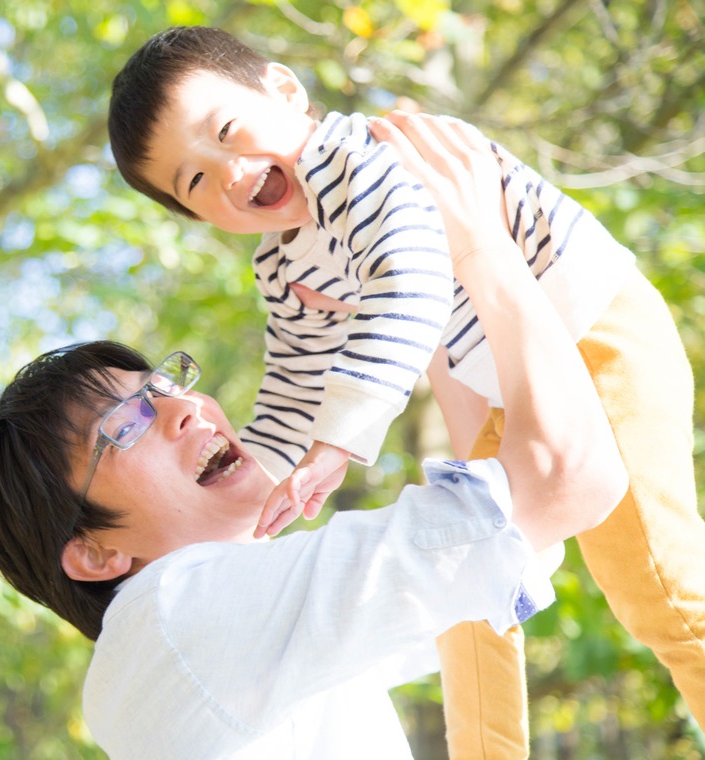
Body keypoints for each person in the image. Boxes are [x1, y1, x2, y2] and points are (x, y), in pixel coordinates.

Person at [108, 26, 705, 755]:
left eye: (227, 131)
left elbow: (410, 282)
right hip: (498, 382)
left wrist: (338, 442)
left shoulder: (363, 162)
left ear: (287, 91)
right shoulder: (282, 264)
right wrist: (268, 480)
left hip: (593, 331)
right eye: (195, 181)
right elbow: (295, 382)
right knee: (467, 596)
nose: (228, 171)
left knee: (653, 580)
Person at [0, 114, 628, 758]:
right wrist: (478, 246)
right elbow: (564, 478)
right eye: (127, 424)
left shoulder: (239, 647)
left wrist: (419, 308)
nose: (187, 408)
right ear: (95, 555)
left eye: (164, 386)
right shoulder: (180, 614)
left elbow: (504, 550)